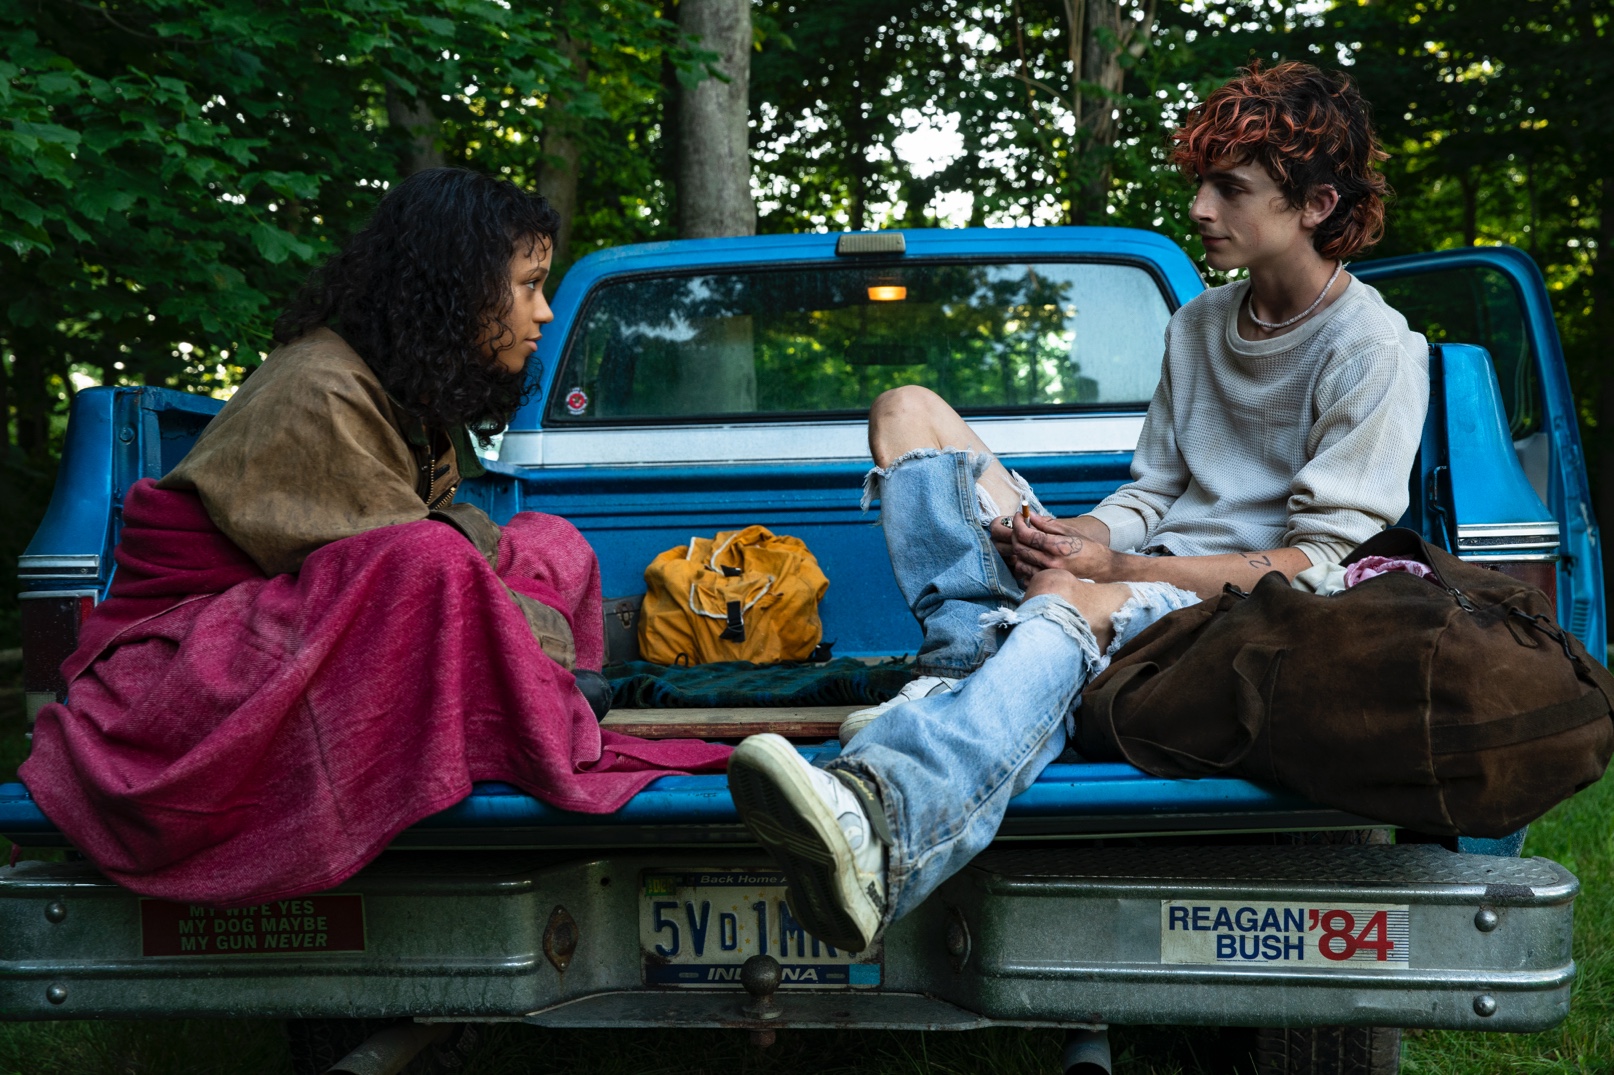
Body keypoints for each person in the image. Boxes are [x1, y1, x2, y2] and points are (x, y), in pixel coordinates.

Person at [727, 62, 1431, 954]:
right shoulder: (1201, 323)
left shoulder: (1376, 348)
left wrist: (1117, 571)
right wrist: (1078, 534)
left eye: (1232, 189)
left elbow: (1322, 561)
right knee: (907, 410)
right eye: (1200, 184)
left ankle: (883, 821)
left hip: (1249, 612)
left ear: (1318, 204)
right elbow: (1154, 490)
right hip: (1134, 577)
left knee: (1079, 598)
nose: (1202, 209)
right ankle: (967, 667)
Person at [21, 168, 729, 905]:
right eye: (527, 286)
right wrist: (531, 648)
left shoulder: (400, 393)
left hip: (292, 631)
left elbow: (451, 543)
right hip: (180, 681)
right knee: (430, 563)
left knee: (547, 538)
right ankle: (538, 708)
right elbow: (420, 568)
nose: (544, 313)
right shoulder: (320, 391)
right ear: (458, 289)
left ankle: (536, 703)